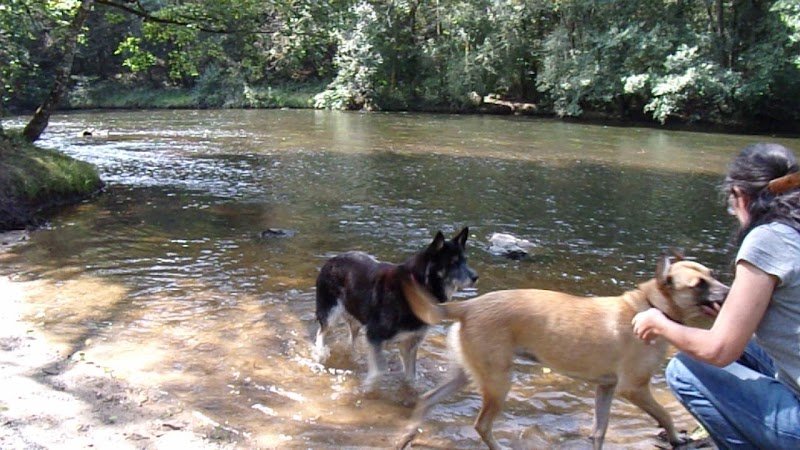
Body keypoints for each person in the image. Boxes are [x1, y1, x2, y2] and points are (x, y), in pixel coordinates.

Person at [632, 142, 800, 449]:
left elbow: (719, 352)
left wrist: (659, 322)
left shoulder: (767, 239)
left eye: (730, 202)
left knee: (684, 369)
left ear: (739, 194)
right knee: (747, 347)